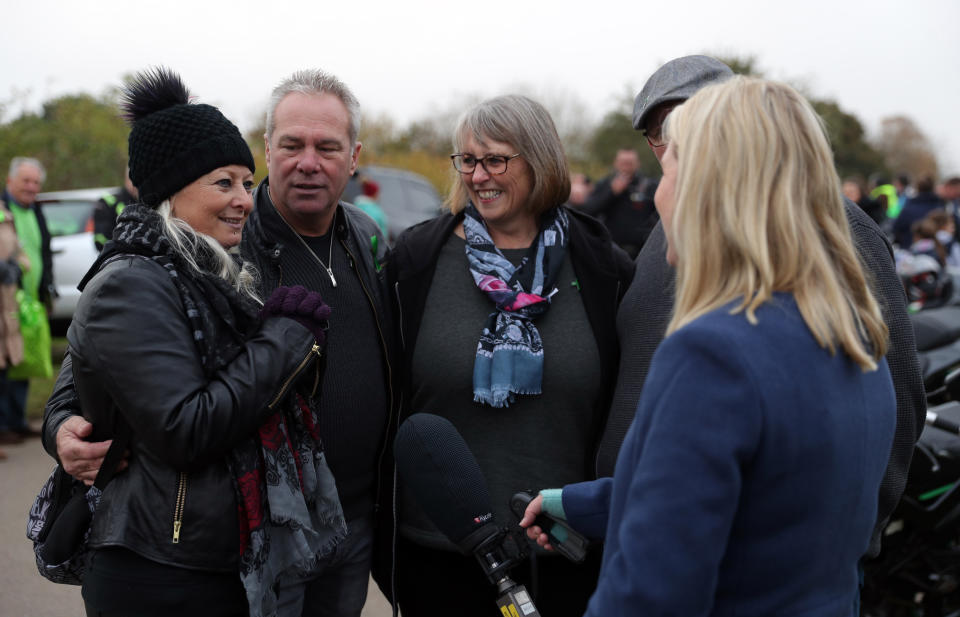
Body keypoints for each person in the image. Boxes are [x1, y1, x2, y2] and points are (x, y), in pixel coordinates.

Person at [522, 76, 897, 616]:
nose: (657, 193)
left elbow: (650, 597)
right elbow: (761, 501)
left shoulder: (715, 354)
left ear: (708, 187)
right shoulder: (856, 334)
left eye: (668, 170)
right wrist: (574, 504)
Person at [45, 68, 395, 617]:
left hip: (347, 519)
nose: (309, 161)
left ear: (353, 156)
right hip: (260, 532)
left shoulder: (366, 236)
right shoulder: (215, 247)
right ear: (269, 148)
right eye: (292, 144)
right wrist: (62, 427)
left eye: (327, 146)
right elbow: (90, 374)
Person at [592, 54, 923, 567]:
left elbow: (895, 389)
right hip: (645, 530)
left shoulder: (839, 227)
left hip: (764, 562)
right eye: (662, 131)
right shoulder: (664, 231)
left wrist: (849, 542)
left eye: (697, 118)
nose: (682, 141)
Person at [385, 94, 634, 616]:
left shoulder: (600, 264)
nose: (478, 176)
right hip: (440, 554)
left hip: (566, 551)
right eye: (468, 161)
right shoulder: (416, 260)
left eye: (496, 159)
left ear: (539, 160)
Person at [0, 157, 52, 442]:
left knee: (25, 358)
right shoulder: (2, 209)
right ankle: (4, 425)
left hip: (30, 301)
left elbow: (43, 251)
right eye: (26, 181)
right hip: (5, 301)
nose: (31, 188)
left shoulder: (37, 211)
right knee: (5, 361)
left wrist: (47, 287)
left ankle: (17, 421)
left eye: (36, 183)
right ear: (10, 182)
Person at [581, 148, 657, 257]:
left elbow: (658, 215)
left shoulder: (649, 185)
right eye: (623, 163)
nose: (626, 167)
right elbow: (588, 211)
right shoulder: (605, 184)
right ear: (615, 163)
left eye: (629, 163)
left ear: (638, 164)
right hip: (612, 250)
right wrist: (612, 193)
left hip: (643, 250)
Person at [893, 175, 945, 248]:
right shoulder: (940, 208)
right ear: (933, 187)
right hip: (938, 251)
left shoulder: (908, 207)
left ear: (917, 188)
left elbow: (896, 229)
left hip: (911, 251)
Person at [93, 168, 138, 250]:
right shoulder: (109, 201)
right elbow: (100, 241)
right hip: (115, 258)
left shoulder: (147, 201)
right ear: (127, 179)